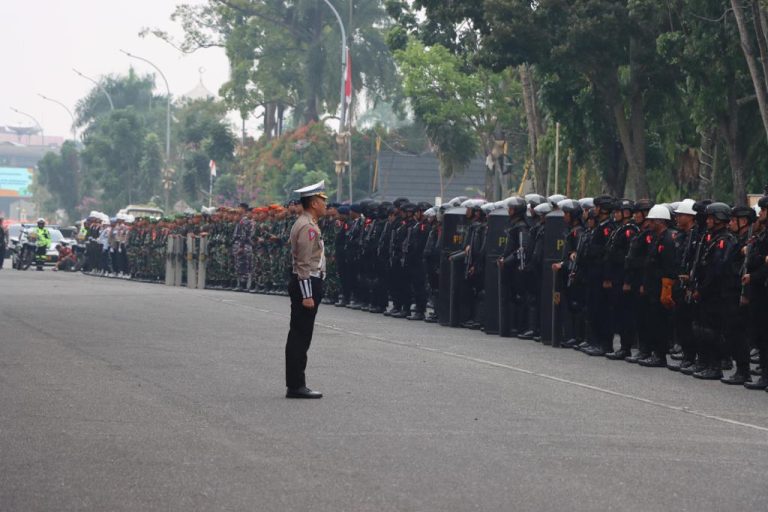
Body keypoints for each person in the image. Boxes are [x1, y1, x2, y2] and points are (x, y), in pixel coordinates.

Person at [285, 180, 328, 399]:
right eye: (322, 200)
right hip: (307, 283)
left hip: (309, 282)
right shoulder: (308, 227)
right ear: (313, 203)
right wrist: (307, 294)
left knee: (301, 335)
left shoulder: (308, 223)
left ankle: (296, 383)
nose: (325, 204)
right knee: (300, 336)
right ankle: (296, 385)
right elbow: (302, 263)